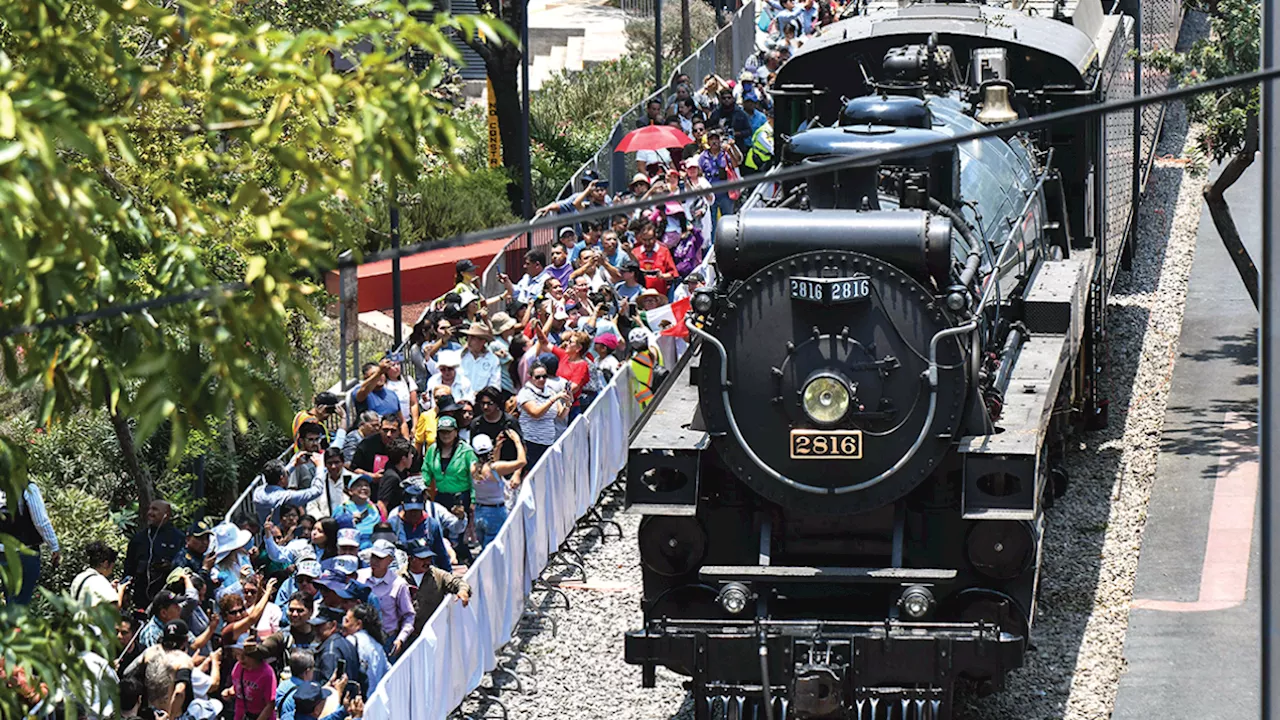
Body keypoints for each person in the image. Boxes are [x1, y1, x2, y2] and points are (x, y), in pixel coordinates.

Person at [0, 479, 60, 606]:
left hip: (3, 553)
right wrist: (54, 546)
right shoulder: (28, 488)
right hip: (25, 553)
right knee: (21, 602)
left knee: (11, 598)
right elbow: (41, 521)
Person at [122, 618, 194, 719]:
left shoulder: (149, 652)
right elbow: (179, 692)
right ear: (185, 640)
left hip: (149, 714)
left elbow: (127, 673)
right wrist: (171, 717)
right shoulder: (184, 660)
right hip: (168, 715)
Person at [355, 540, 415, 657]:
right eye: (373, 557)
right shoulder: (359, 577)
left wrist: (400, 639)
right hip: (359, 636)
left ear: (390, 560)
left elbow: (409, 615)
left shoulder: (399, 584)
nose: (375, 561)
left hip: (386, 639)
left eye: (380, 558)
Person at [470, 432, 526, 551]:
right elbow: (522, 462)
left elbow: (491, 464)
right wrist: (517, 441)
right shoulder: (495, 469)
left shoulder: (473, 467)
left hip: (479, 512)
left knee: (485, 547)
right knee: (493, 550)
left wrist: (497, 447)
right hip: (495, 512)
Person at [123, 499, 184, 609]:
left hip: (168, 598)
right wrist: (125, 591)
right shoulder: (139, 538)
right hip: (141, 598)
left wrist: (169, 567)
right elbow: (129, 566)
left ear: (167, 514)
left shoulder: (178, 538)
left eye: (155, 510)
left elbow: (184, 566)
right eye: (149, 509)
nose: (150, 513)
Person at [421, 415, 477, 529]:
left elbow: (474, 477)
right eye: (442, 432)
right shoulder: (432, 450)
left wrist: (473, 500)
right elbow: (426, 472)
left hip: (461, 498)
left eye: (449, 432)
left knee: (459, 533)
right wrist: (421, 489)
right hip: (440, 497)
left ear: (456, 432)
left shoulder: (466, 451)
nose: (445, 435)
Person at [515, 361, 571, 467]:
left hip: (548, 441)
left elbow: (560, 415)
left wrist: (568, 403)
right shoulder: (525, 393)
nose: (541, 380)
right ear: (530, 377)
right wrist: (553, 399)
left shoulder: (550, 391)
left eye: (544, 376)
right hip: (531, 441)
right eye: (538, 377)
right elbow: (536, 413)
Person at [409, 546, 472, 637]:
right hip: (407, 635)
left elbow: (457, 583)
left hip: (433, 634)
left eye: (429, 558)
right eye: (423, 559)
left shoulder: (438, 575)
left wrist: (463, 591)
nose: (427, 562)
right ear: (411, 559)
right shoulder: (398, 577)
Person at [254, 458, 325, 527]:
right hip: (282, 535)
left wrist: (293, 465)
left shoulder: (258, 492)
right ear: (282, 478)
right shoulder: (286, 497)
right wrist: (320, 466)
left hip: (266, 533)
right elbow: (317, 490)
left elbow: (278, 476)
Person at [312, 605, 365, 691]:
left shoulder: (330, 651)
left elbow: (329, 686)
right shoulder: (346, 643)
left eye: (320, 626)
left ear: (333, 625)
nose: (316, 629)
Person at [225, 633, 278, 720]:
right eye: (238, 654)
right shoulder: (238, 667)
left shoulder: (266, 674)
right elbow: (239, 685)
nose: (241, 658)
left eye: (245, 655)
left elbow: (271, 704)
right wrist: (230, 691)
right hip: (241, 715)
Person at [630, 216, 680, 297]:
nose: (647, 243)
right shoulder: (635, 252)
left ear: (655, 237)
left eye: (650, 239)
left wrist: (662, 276)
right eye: (644, 240)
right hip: (640, 296)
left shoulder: (664, 251)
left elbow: (673, 274)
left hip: (659, 296)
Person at [72, 540, 127, 608]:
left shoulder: (79, 577)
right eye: (112, 567)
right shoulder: (100, 581)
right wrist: (121, 590)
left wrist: (110, 588)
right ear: (106, 564)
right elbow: (114, 608)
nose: (111, 571)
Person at [374, 438, 414, 519]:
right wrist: (385, 527)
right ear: (403, 458)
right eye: (410, 454)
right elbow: (382, 504)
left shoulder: (402, 473)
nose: (412, 456)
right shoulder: (392, 477)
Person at [381, 354, 419, 432]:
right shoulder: (383, 384)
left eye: (398, 364)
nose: (396, 367)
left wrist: (415, 425)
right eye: (393, 365)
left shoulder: (407, 380)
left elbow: (414, 403)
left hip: (407, 421)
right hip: (390, 423)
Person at [459, 323, 501, 391]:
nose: (469, 341)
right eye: (468, 337)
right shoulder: (459, 356)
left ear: (483, 341)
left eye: (473, 338)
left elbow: (494, 384)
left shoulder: (493, 360)